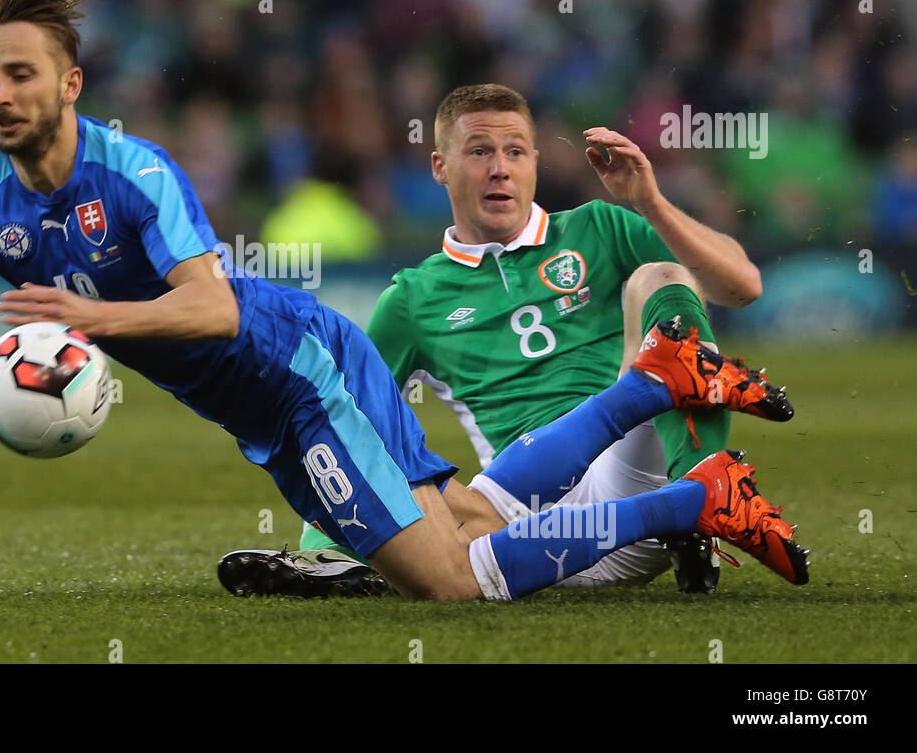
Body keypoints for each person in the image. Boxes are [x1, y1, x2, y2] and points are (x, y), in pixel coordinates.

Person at [0, 0, 806, 601]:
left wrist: (88, 316)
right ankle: (649, 385)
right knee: (467, 516)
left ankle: (686, 498)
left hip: (297, 369)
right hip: (261, 408)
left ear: (68, 82)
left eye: (20, 72)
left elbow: (212, 306)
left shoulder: (133, 173)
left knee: (452, 580)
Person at [219, 83, 775, 597]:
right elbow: (346, 423)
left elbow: (742, 286)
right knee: (431, 505)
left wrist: (649, 202)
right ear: (440, 166)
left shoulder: (597, 227)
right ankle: (334, 566)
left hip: (635, 470)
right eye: (479, 151)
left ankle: (698, 503)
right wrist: (323, 548)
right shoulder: (414, 299)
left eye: (514, 151)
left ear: (534, 162)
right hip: (519, 519)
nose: (499, 169)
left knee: (663, 279)